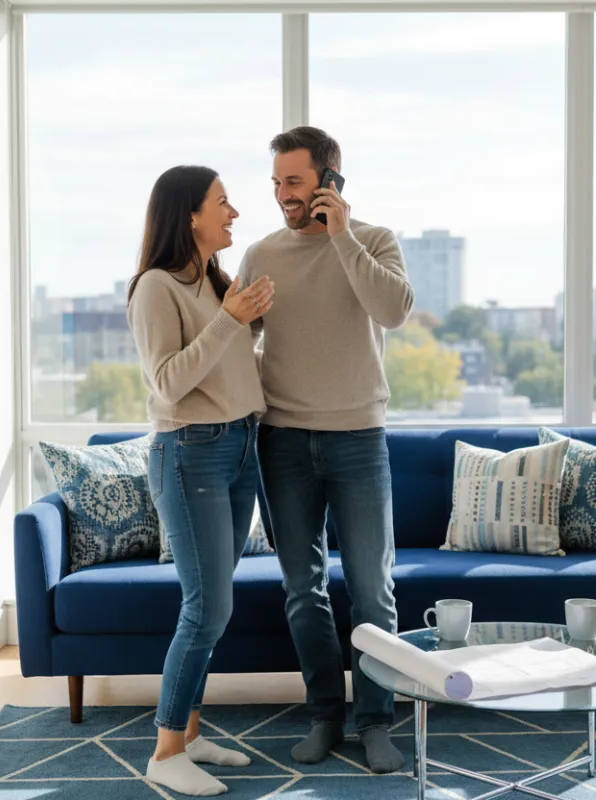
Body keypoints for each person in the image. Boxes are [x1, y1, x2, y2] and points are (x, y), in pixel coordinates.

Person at [238, 127, 414, 774]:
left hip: (359, 440)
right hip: (282, 442)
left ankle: (376, 720)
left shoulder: (374, 241)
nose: (283, 194)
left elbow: (392, 311)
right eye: (277, 183)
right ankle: (325, 715)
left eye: (294, 181)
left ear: (329, 179)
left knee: (373, 592)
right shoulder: (262, 253)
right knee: (302, 589)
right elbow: (235, 335)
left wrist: (339, 236)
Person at [128, 165, 275, 796]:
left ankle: (189, 736)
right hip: (190, 454)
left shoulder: (213, 281)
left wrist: (244, 316)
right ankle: (164, 753)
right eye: (222, 202)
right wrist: (230, 319)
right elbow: (167, 382)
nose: (234, 212)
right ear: (189, 214)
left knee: (219, 605)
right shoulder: (155, 288)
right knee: (206, 608)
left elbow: (230, 368)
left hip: (239, 447)